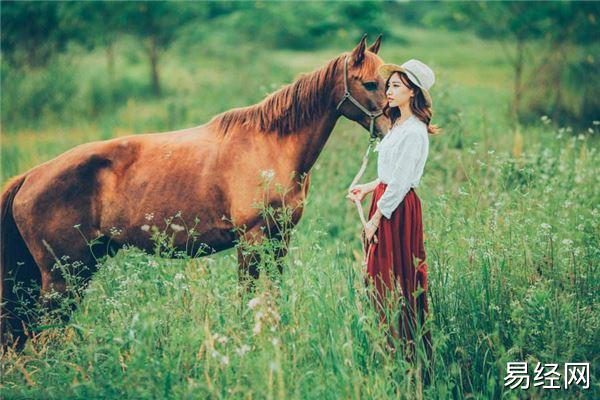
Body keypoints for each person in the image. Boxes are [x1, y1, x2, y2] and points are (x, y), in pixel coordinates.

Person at [347, 59, 440, 364]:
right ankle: (389, 344)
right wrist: (370, 187)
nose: (388, 89)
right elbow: (391, 174)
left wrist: (376, 218)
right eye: (389, 85)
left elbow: (402, 182)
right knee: (380, 272)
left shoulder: (414, 131)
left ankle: (407, 349)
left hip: (397, 208)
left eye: (396, 85)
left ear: (412, 92)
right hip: (387, 199)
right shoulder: (398, 125)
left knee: (395, 273)